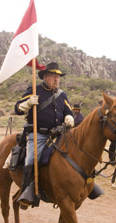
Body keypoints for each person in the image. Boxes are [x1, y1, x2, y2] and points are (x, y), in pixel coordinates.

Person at [15, 62, 74, 209]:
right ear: (46, 77)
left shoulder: (62, 94)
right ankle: (26, 193)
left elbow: (68, 110)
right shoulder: (35, 90)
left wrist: (69, 117)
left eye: (58, 77)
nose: (56, 80)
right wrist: (27, 103)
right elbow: (17, 109)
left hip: (58, 134)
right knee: (32, 158)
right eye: (53, 77)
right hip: (39, 134)